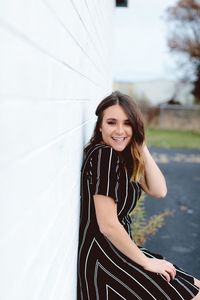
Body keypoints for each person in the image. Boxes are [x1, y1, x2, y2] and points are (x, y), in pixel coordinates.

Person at [77, 91, 200, 299]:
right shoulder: (104, 156)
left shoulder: (121, 156)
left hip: (120, 250)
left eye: (127, 123)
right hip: (105, 258)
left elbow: (159, 190)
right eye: (111, 123)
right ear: (100, 126)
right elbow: (107, 225)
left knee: (194, 286)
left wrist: (138, 142)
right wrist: (147, 263)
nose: (119, 130)